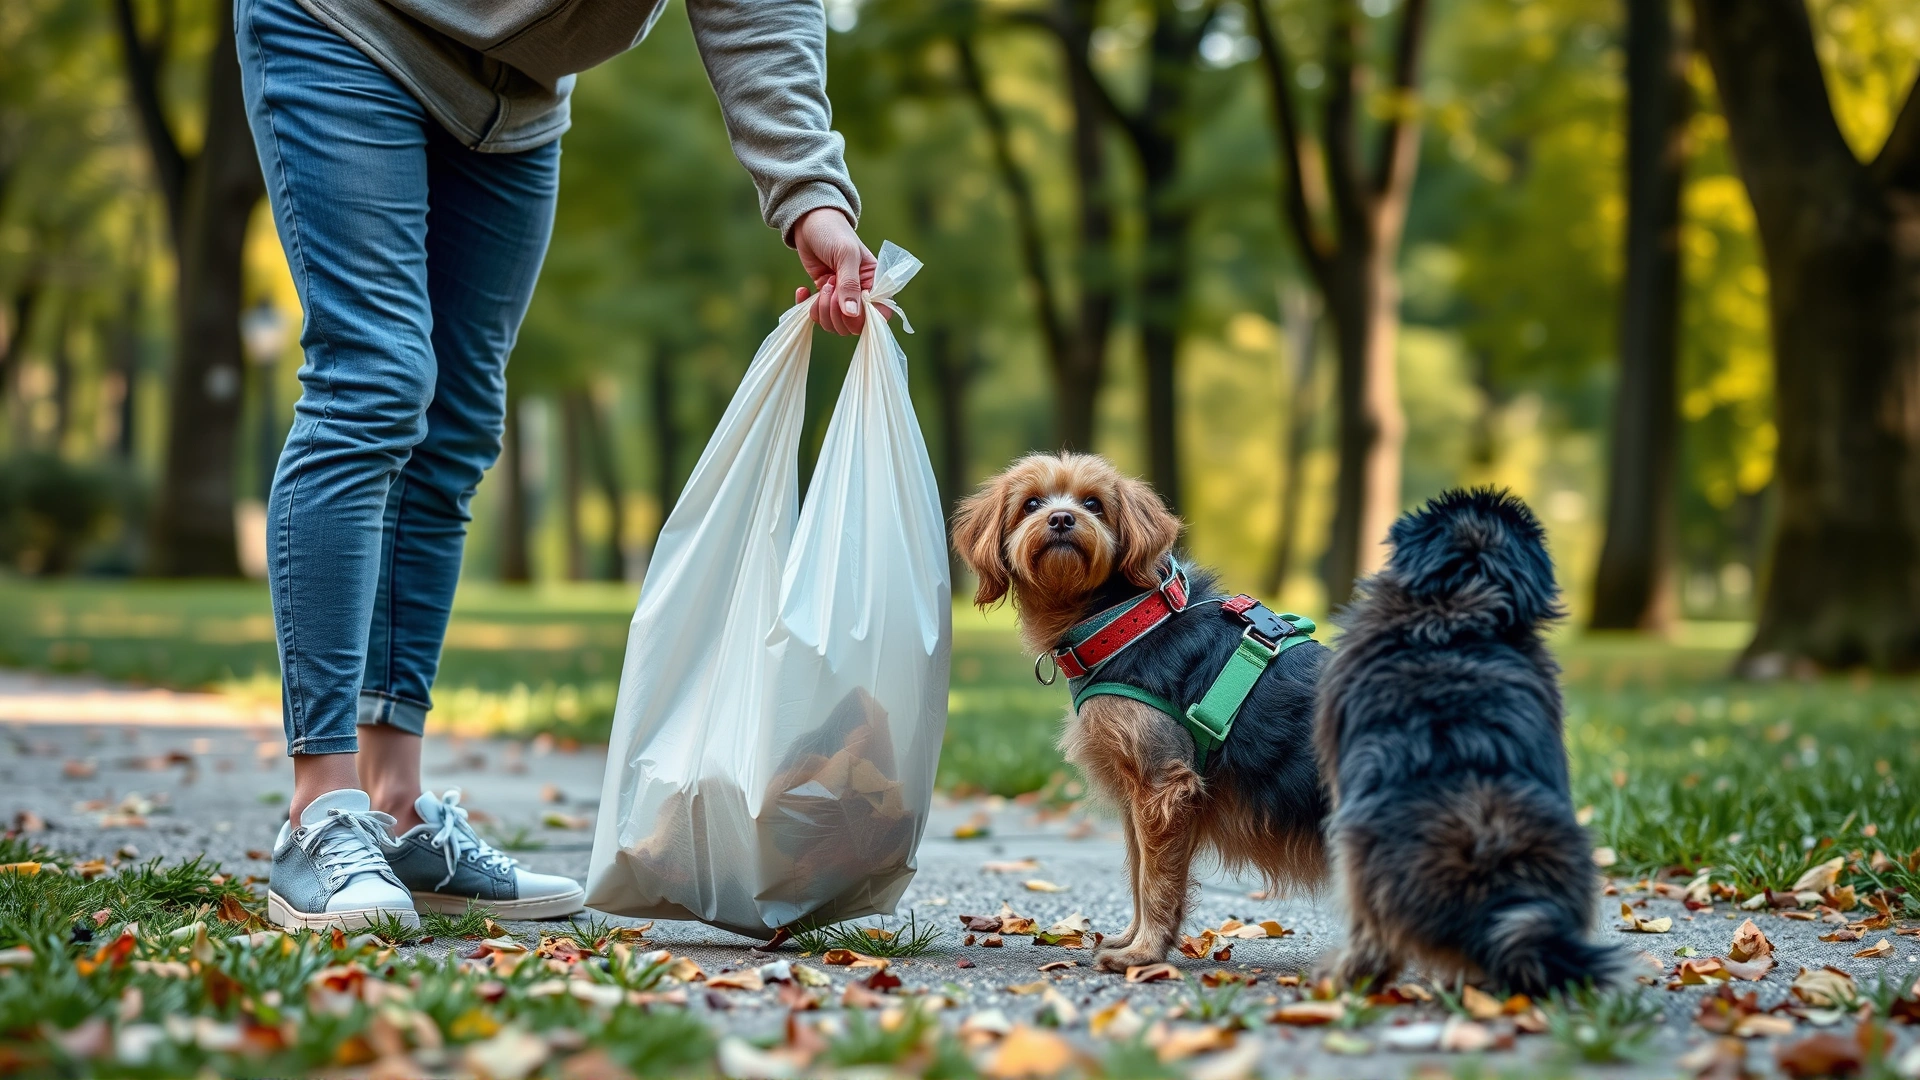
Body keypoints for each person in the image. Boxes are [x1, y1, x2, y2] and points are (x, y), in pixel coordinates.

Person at [238, 0, 875, 930]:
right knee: (374, 380)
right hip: (350, 27)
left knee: (454, 422)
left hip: (518, 98)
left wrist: (810, 191)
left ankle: (395, 807)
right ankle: (319, 811)